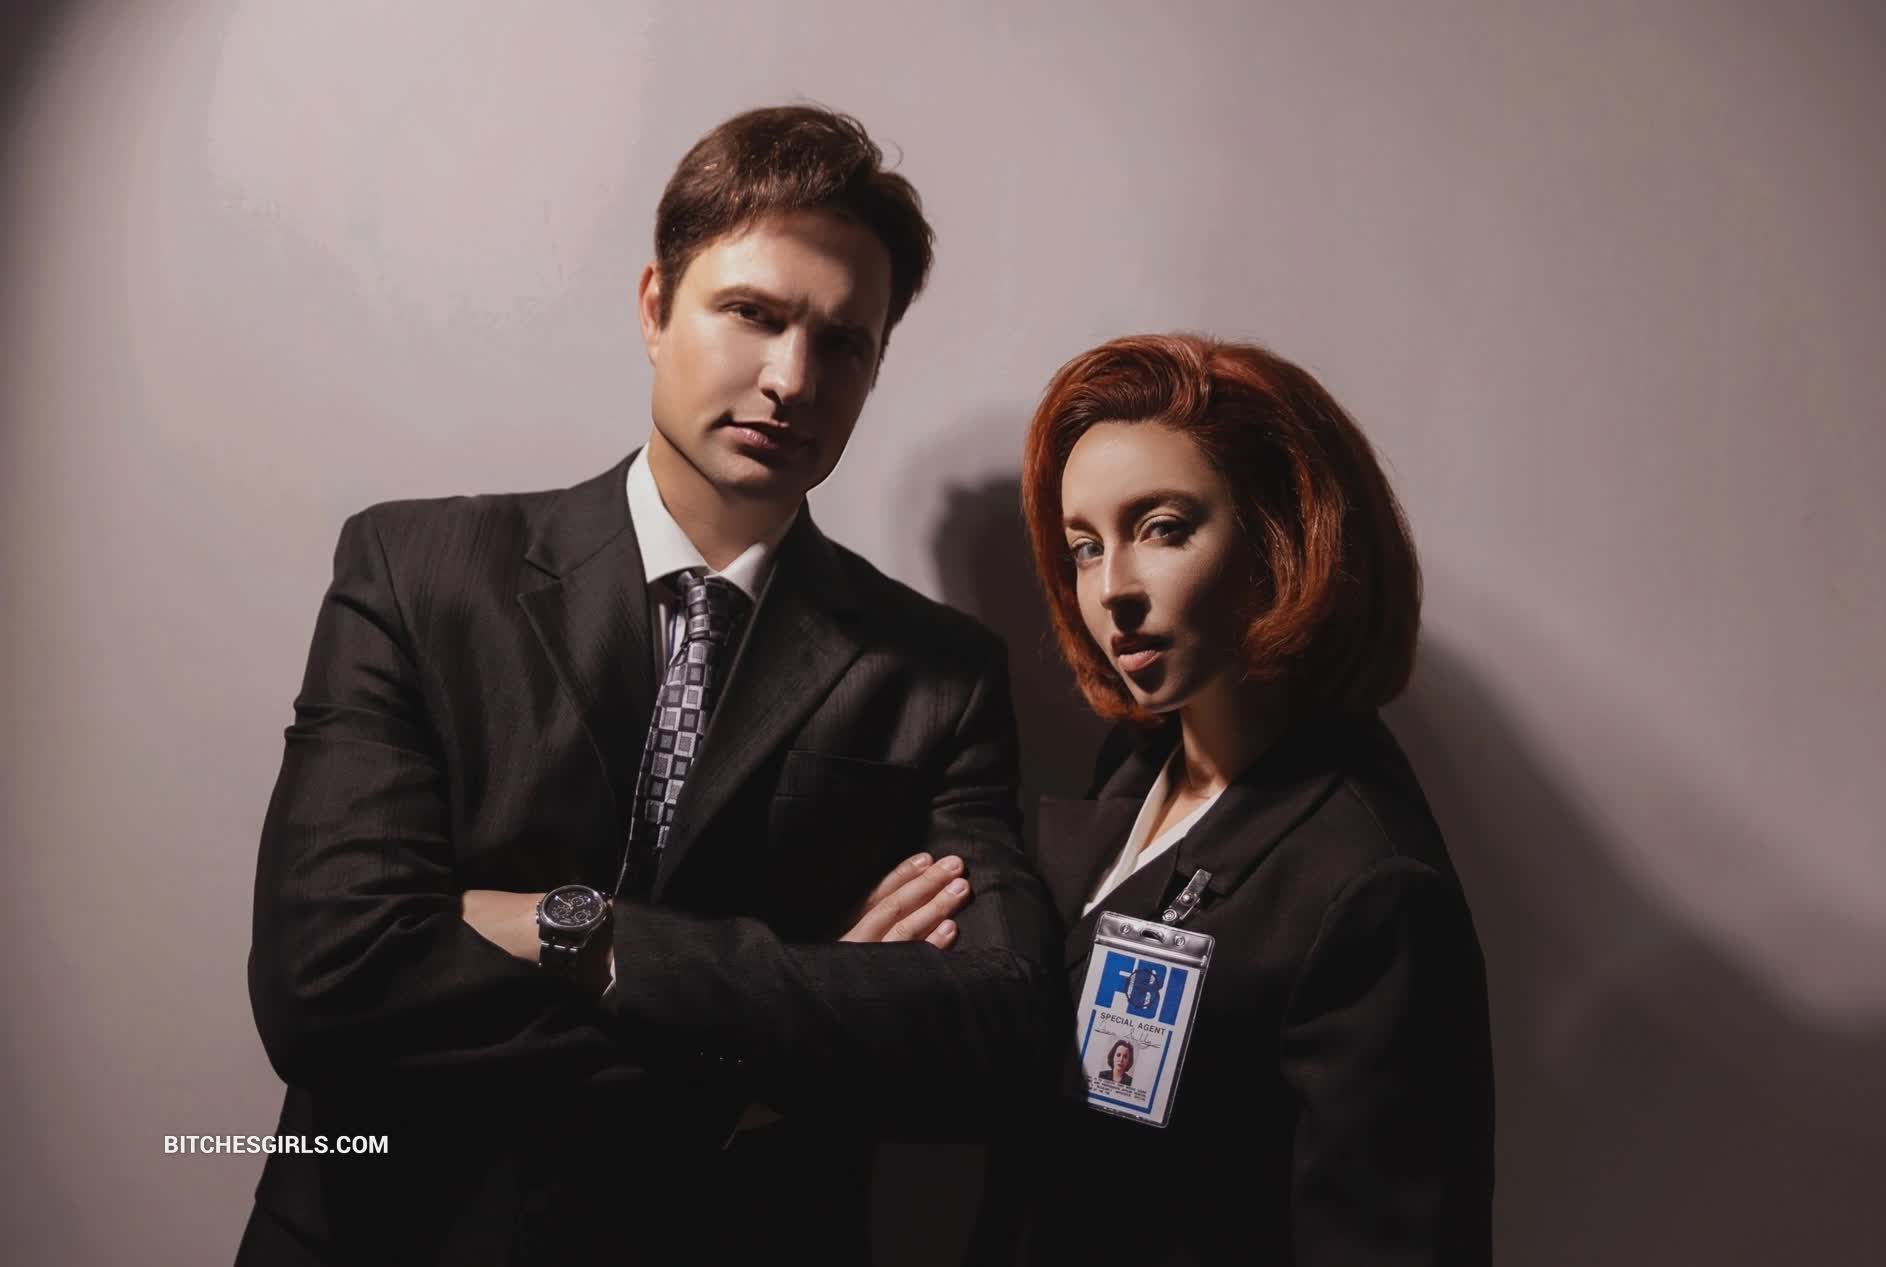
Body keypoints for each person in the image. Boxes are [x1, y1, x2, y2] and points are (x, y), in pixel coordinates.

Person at [240, 105, 1061, 1266]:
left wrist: (586, 934)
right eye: (754, 313)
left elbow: (993, 1035)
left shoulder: (940, 675)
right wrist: (758, 1062)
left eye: (844, 344)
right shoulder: (417, 572)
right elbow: (328, 987)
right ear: (654, 307)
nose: (792, 379)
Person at [977, 334, 1494, 1264]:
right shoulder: (1136, 760)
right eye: (1085, 547)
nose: (1113, 590)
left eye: (1162, 528)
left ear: (1280, 534)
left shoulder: (1370, 883)